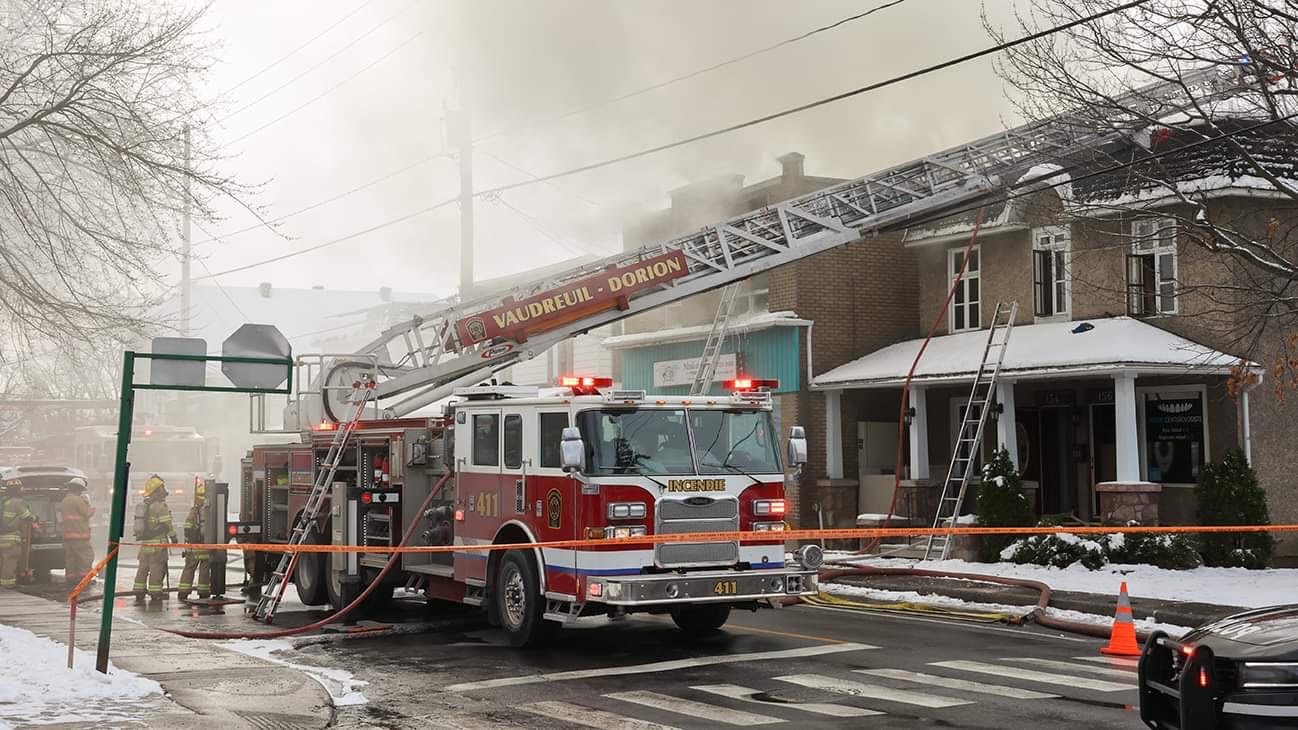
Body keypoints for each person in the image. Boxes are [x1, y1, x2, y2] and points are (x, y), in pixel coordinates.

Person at [132, 475, 176, 602]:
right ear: (157, 490)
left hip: (145, 545)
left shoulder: (144, 505)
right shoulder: (159, 507)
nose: (164, 490)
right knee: (157, 568)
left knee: (143, 568)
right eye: (162, 488)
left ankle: (138, 591)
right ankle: (155, 592)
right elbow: (168, 525)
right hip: (158, 546)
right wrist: (174, 537)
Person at [60, 477, 95, 589]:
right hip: (80, 536)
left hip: (68, 536)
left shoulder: (64, 500)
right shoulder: (78, 500)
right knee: (86, 557)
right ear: (78, 489)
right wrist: (89, 505)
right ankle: (84, 580)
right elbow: (87, 514)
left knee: (71, 558)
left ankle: (71, 579)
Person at [0, 481, 36, 588]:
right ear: (17, 490)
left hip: (1, 536)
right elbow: (27, 516)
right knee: (10, 561)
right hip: (11, 537)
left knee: (2, 560)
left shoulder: (3, 501)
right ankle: (8, 584)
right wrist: (35, 518)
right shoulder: (16, 502)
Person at [177, 482, 209, 601]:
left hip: (194, 545)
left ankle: (183, 592)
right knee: (205, 569)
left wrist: (188, 541)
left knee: (189, 568)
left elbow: (187, 526)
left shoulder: (194, 511)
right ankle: (204, 592)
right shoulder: (208, 510)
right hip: (205, 545)